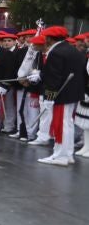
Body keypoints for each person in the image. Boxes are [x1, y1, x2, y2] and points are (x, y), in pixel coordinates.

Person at [37, 26, 87, 165]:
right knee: (67, 124)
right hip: (72, 93)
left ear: (49, 39)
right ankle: (67, 154)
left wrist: (49, 97)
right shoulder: (73, 50)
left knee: (61, 124)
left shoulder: (56, 52)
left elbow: (54, 78)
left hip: (61, 94)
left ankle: (61, 156)